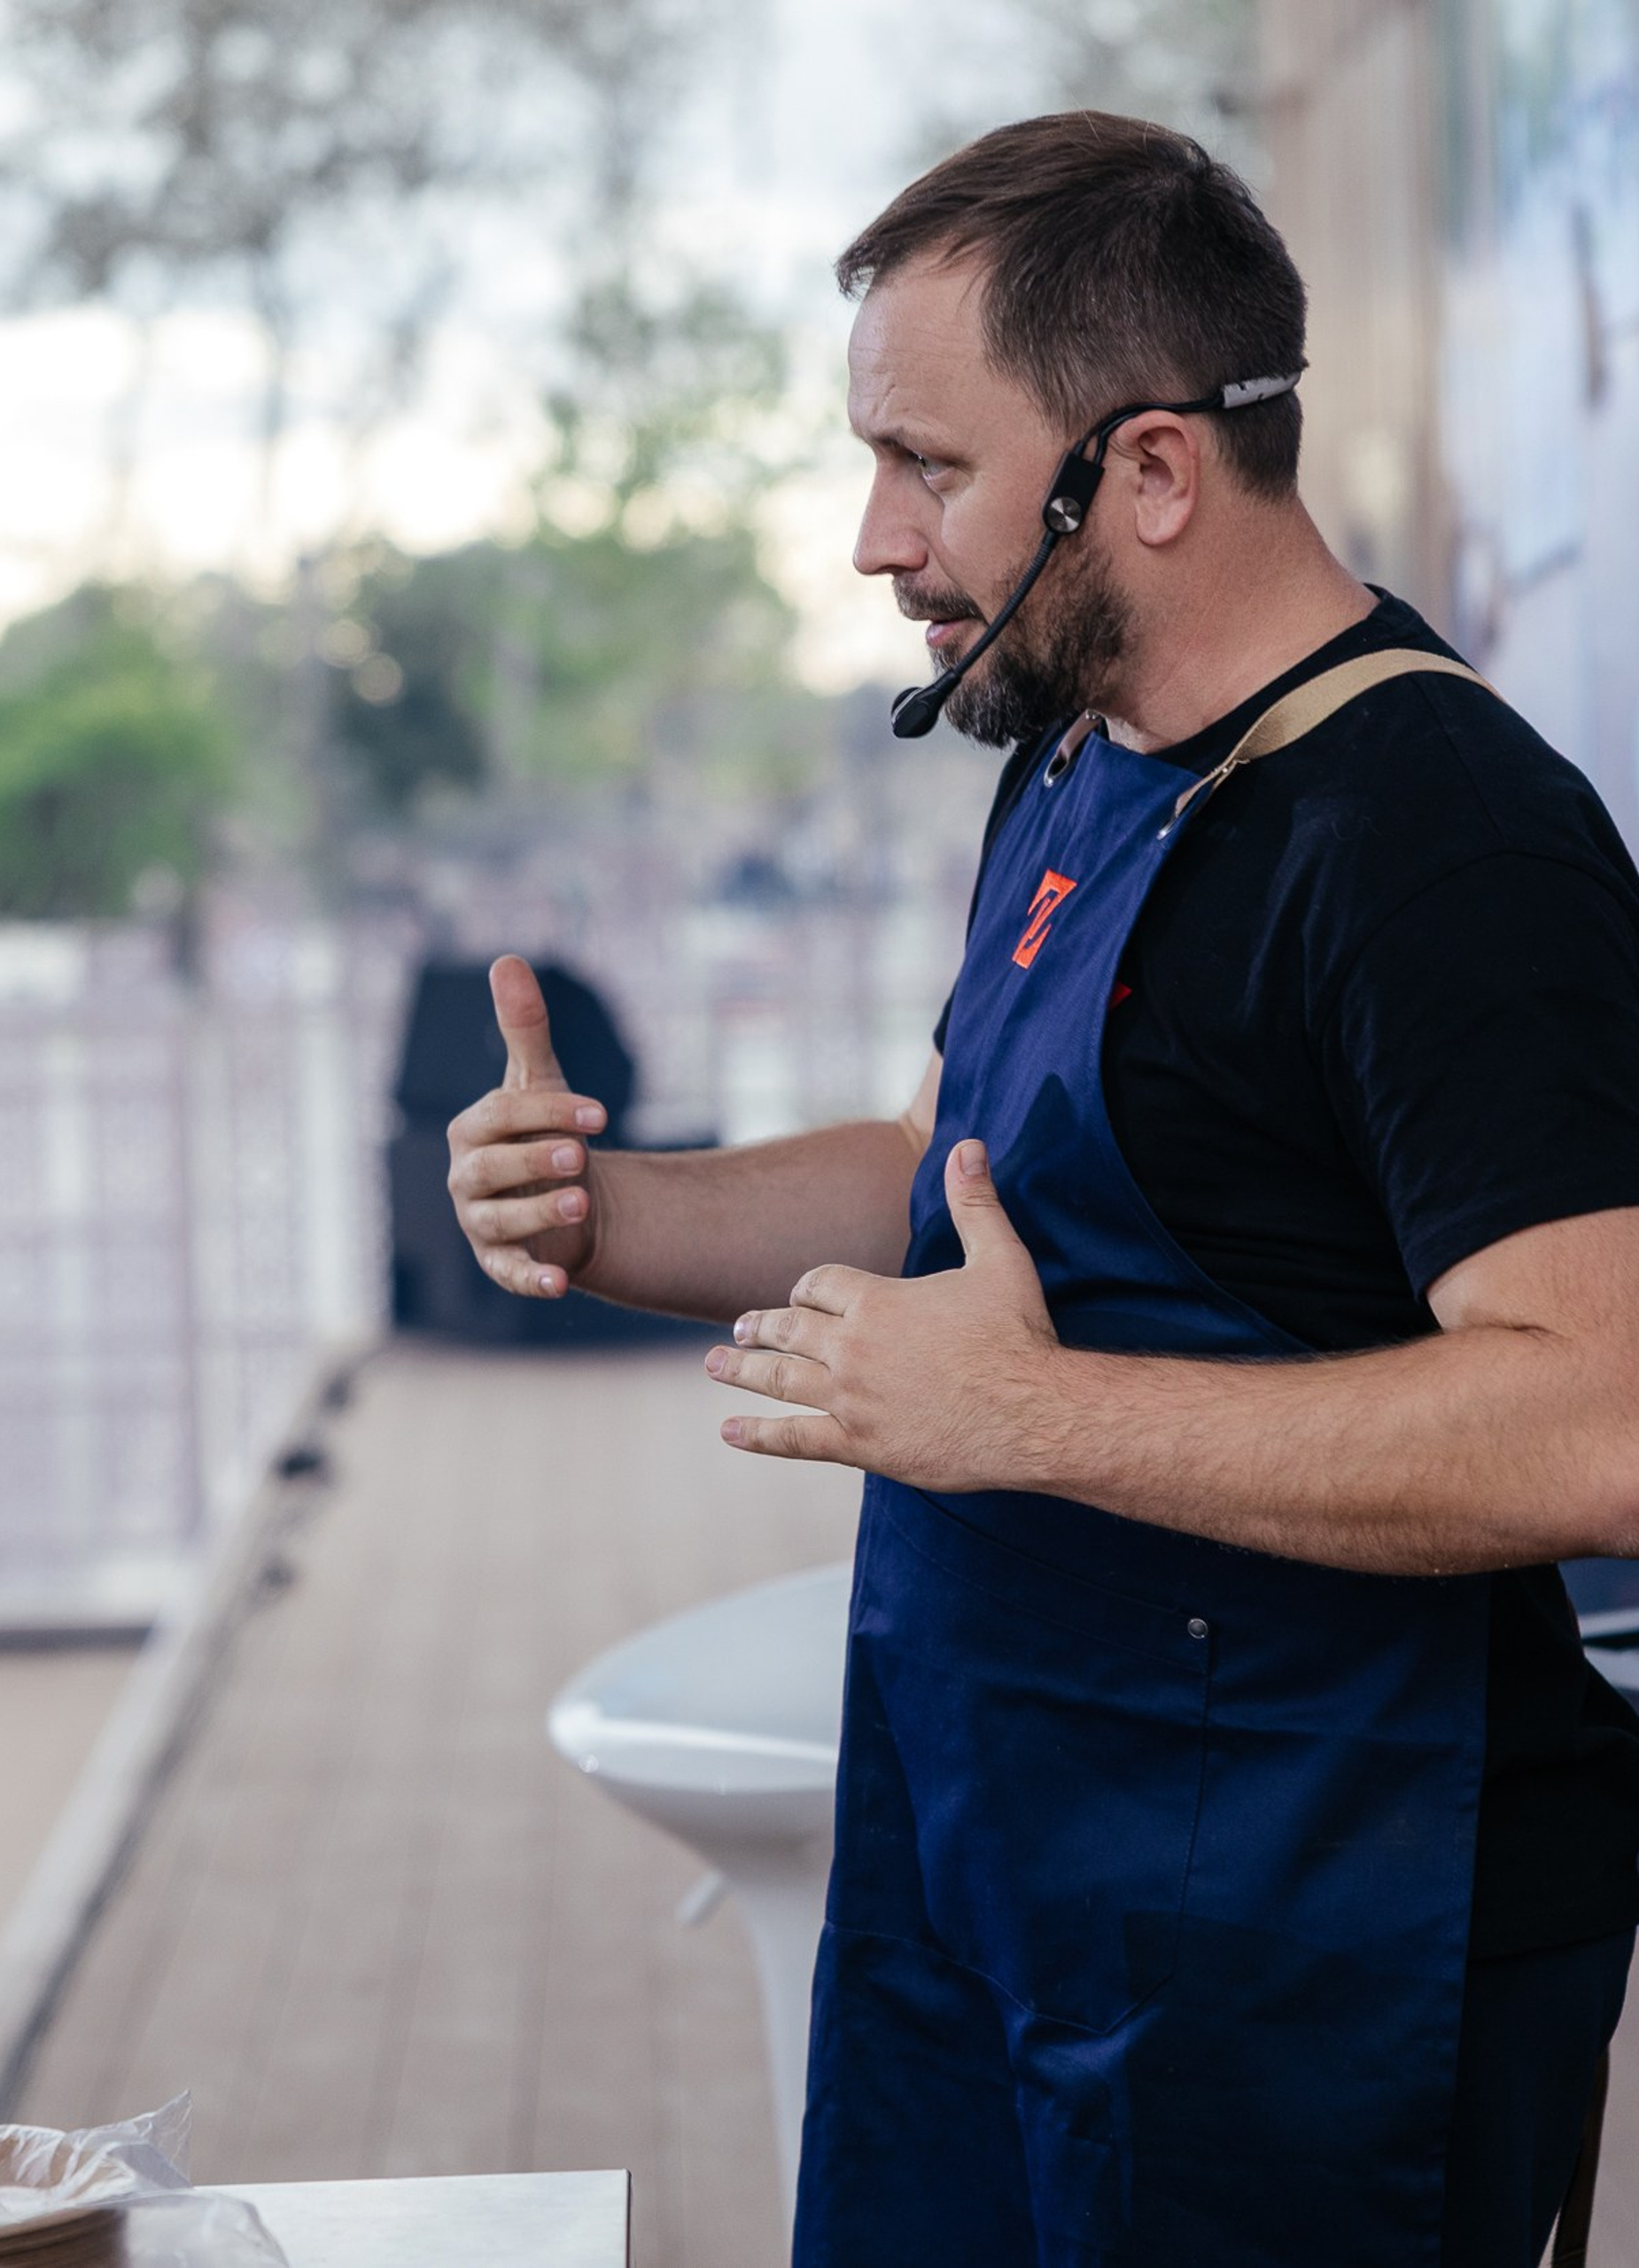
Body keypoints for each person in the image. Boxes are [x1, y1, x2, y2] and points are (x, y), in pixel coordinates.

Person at [444, 113, 1639, 2268]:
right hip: (1000, 1872)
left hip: (1317, 1949)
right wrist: (599, 1213)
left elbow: (1601, 1417)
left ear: (1151, 472)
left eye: (925, 466)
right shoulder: (1073, 754)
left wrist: (1024, 1418)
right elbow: (945, 1178)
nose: (870, 539)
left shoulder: (1437, 839)